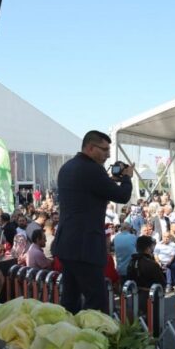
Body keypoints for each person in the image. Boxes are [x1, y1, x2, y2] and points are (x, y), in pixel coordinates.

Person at [54, 131, 133, 313]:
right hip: (85, 247)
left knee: (70, 301)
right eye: (104, 150)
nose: (108, 155)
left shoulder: (67, 167)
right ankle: (92, 338)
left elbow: (86, 194)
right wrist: (127, 177)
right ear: (90, 148)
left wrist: (108, 181)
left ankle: (69, 337)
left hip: (67, 244)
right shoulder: (92, 169)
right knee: (96, 303)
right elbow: (122, 195)